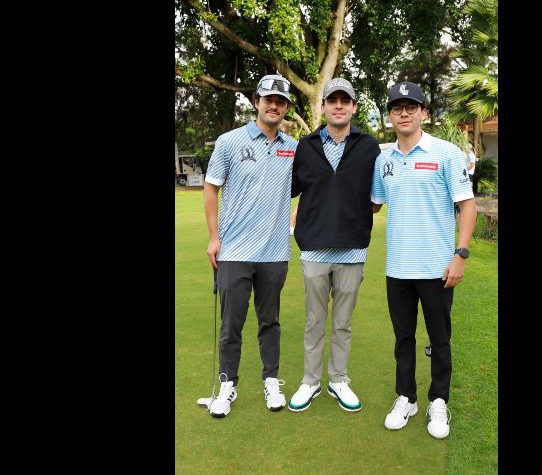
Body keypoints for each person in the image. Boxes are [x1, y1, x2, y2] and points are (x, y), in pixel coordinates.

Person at [370, 81, 477, 439]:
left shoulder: (446, 153)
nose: (404, 112)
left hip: (437, 267)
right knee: (403, 339)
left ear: (423, 113)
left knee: (439, 339)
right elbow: (373, 204)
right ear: (389, 115)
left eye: (411, 106)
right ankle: (407, 397)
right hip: (397, 267)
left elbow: (467, 205)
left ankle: (438, 401)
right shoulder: (383, 160)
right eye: (397, 107)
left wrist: (460, 254)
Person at [202, 74, 299, 418]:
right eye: (268, 99)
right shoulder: (229, 142)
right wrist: (214, 238)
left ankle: (271, 380)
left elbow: (313, 185)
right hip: (233, 253)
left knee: (269, 322)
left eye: (281, 101)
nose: (274, 105)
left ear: (287, 108)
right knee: (231, 325)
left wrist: (293, 222)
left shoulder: (293, 148)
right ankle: (227, 386)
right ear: (256, 101)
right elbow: (211, 189)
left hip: (274, 254)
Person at [288, 78, 381, 413]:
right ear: (324, 106)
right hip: (314, 249)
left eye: (346, 100)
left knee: (342, 322)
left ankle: (338, 380)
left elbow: (377, 198)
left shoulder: (369, 146)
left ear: (354, 107)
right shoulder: (306, 145)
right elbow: (293, 187)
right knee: (315, 320)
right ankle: (311, 382)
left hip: (352, 250)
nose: (339, 105)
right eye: (333, 100)